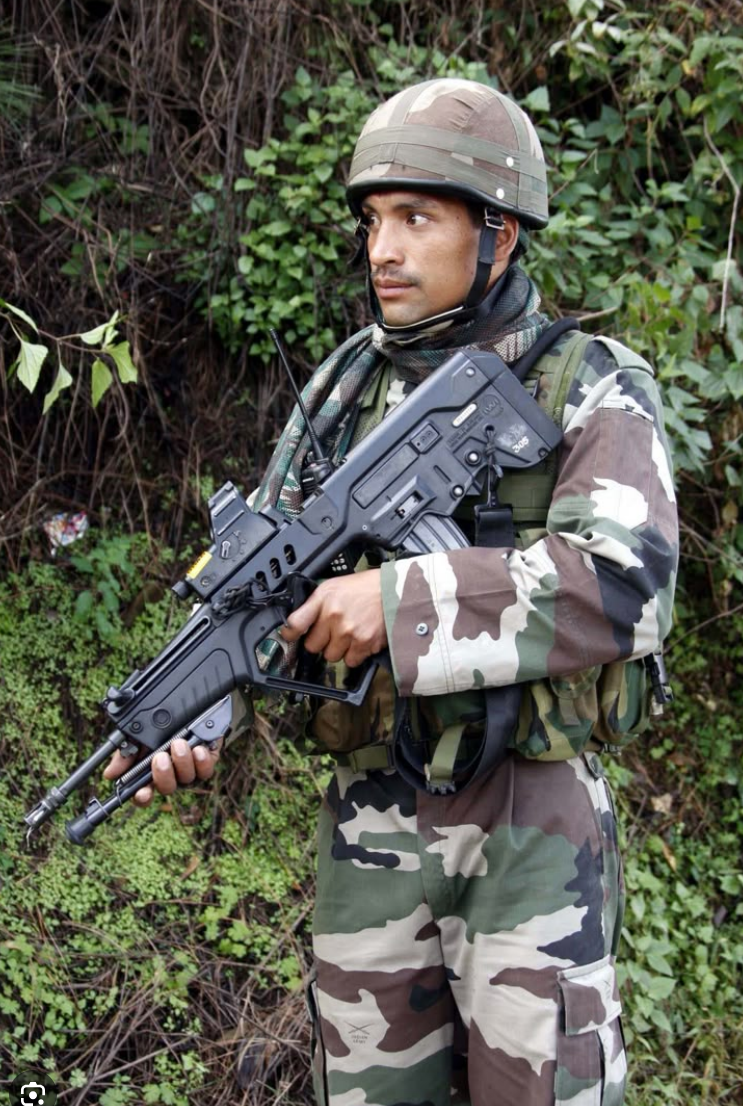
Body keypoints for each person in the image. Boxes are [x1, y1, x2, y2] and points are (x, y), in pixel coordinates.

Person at [106, 79, 679, 1105]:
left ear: (497, 235)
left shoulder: (586, 381)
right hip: (372, 823)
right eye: (373, 220)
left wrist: (400, 599)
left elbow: (625, 581)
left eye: (416, 218)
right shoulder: (339, 393)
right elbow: (258, 590)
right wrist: (197, 712)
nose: (382, 249)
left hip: (531, 824)